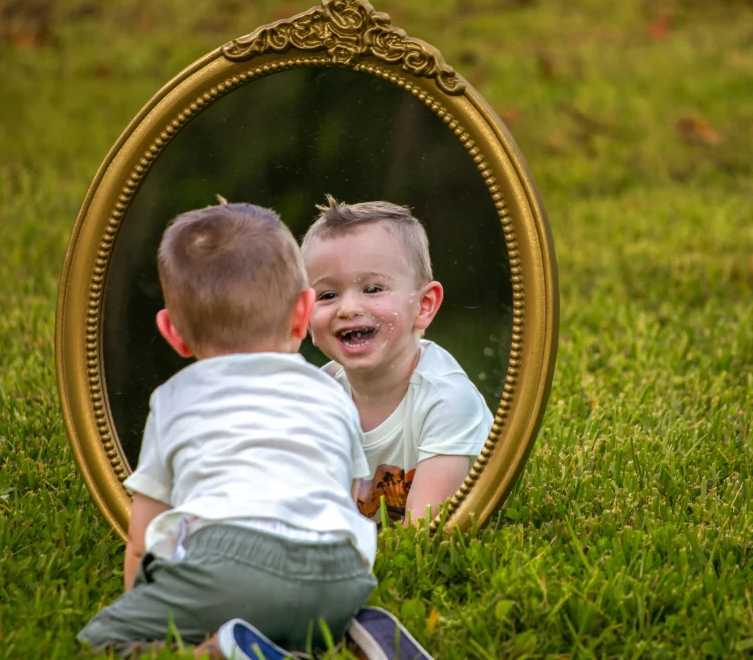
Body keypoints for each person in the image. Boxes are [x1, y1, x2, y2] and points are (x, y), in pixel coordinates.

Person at [77, 203, 377, 658]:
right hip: (340, 571)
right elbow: (354, 490)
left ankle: (224, 651)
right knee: (289, 608)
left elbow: (146, 535)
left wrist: (146, 599)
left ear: (172, 333)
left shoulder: (174, 398)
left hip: (228, 559)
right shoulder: (332, 392)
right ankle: (348, 633)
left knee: (102, 641)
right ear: (303, 312)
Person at [301, 196, 494, 527]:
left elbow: (422, 536)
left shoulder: (446, 401)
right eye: (328, 295)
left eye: (373, 288)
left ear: (424, 306)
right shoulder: (318, 399)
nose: (347, 308)